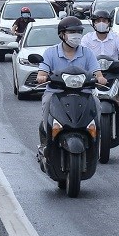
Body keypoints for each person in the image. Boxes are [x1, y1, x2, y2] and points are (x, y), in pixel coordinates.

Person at [35, 17, 106, 146]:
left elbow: (97, 72)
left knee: (96, 103)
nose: (76, 35)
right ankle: (47, 137)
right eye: (72, 32)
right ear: (62, 34)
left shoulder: (87, 53)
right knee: (46, 102)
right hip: (56, 93)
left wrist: (100, 78)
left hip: (84, 93)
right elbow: (42, 72)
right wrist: (42, 76)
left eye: (79, 32)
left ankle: (95, 138)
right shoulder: (50, 53)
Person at [81, 10, 119, 142]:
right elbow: (81, 54)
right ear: (93, 23)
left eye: (104, 21)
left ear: (109, 23)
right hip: (91, 76)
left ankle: (118, 123)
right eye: (98, 21)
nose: (101, 23)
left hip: (112, 75)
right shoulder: (87, 38)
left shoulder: (116, 38)